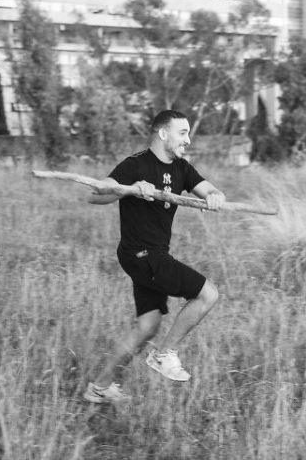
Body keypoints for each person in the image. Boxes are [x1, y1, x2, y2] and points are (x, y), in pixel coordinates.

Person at [82, 110, 225, 404]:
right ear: (163, 134)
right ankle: (164, 355)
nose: (188, 138)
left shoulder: (182, 167)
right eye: (182, 132)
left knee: (147, 327)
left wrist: (214, 195)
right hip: (141, 254)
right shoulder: (136, 164)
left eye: (188, 132)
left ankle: (99, 388)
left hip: (147, 255)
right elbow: (95, 194)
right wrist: (130, 189)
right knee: (208, 294)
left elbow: (207, 188)